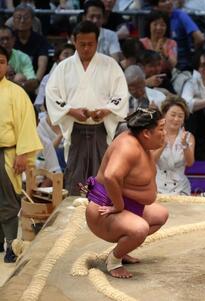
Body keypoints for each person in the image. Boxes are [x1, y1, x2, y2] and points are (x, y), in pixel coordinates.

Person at [46, 20, 129, 195]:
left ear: (97, 43)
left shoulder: (110, 65)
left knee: (102, 173)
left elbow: (121, 94)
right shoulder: (64, 67)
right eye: (82, 44)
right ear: (74, 41)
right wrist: (71, 110)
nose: (86, 48)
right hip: (76, 128)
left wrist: (106, 110)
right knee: (75, 175)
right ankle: (73, 216)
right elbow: (52, 95)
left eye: (90, 44)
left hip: (101, 129)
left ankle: (100, 214)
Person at [84, 108, 169, 278]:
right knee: (140, 229)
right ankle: (114, 261)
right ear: (146, 133)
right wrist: (118, 205)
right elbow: (110, 175)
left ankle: (122, 250)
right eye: (160, 129)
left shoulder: (141, 143)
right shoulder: (128, 146)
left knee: (160, 215)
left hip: (127, 206)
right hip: (104, 209)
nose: (164, 133)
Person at [0, 45, 42, 262]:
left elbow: (27, 125)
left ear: (7, 65)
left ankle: (10, 244)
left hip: (8, 153)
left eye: (1, 62)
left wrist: (23, 154)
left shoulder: (17, 93)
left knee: (8, 202)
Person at [152, 96, 195, 195]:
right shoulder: (155, 134)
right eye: (173, 115)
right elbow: (150, 161)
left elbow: (190, 162)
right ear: (164, 115)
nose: (176, 119)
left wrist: (184, 145)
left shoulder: (189, 136)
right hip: (157, 186)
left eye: (180, 116)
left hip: (181, 188)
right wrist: (163, 145)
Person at [149, 0, 205, 71]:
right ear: (156, 7)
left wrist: (194, 58)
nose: (169, 2)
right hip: (156, 67)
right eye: (163, 1)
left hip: (181, 67)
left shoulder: (180, 15)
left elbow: (199, 39)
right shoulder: (151, 18)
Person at [11, 3, 50, 83]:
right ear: (13, 20)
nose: (22, 21)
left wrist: (35, 83)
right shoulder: (8, 39)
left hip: (33, 81)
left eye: (25, 18)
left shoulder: (41, 40)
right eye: (18, 17)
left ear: (32, 20)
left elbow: (42, 66)